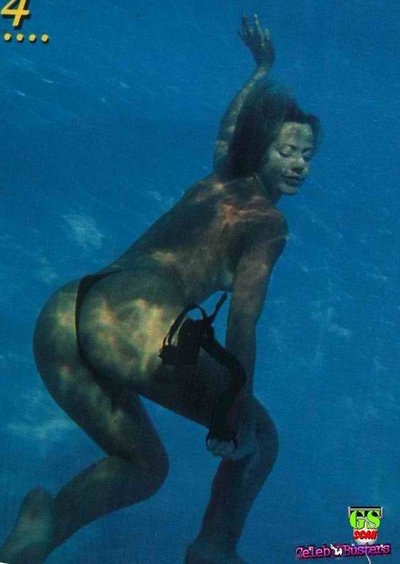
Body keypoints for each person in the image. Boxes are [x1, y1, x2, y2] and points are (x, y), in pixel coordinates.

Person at [0, 14, 320, 564]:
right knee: (259, 441)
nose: (298, 165)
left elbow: (231, 125)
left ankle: (40, 531)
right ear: (260, 149)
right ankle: (213, 548)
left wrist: (261, 70)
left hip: (65, 312)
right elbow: (243, 322)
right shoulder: (267, 224)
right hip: (131, 320)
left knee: (143, 467)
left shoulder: (219, 177)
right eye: (286, 151)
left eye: (307, 156)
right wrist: (235, 410)